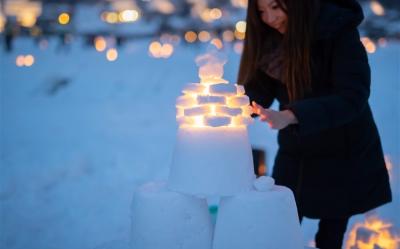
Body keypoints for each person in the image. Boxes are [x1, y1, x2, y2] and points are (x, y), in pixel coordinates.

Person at [237, 0, 392, 248]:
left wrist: (290, 116)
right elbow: (259, 91)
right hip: (297, 152)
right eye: (261, 11)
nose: (269, 18)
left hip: (343, 150)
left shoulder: (337, 32)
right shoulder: (273, 42)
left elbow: (352, 97)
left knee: (330, 235)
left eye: (275, 7)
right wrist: (231, 106)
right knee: (280, 222)